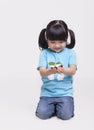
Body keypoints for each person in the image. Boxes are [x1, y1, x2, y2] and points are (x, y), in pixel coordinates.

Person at [35, 20, 77, 120]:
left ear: (66, 39)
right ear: (47, 40)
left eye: (61, 42)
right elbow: (42, 72)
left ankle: (61, 106)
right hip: (47, 93)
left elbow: (72, 70)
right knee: (42, 115)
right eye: (52, 42)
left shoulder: (70, 53)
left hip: (65, 93)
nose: (57, 45)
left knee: (65, 116)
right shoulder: (44, 53)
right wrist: (51, 71)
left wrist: (62, 70)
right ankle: (52, 107)